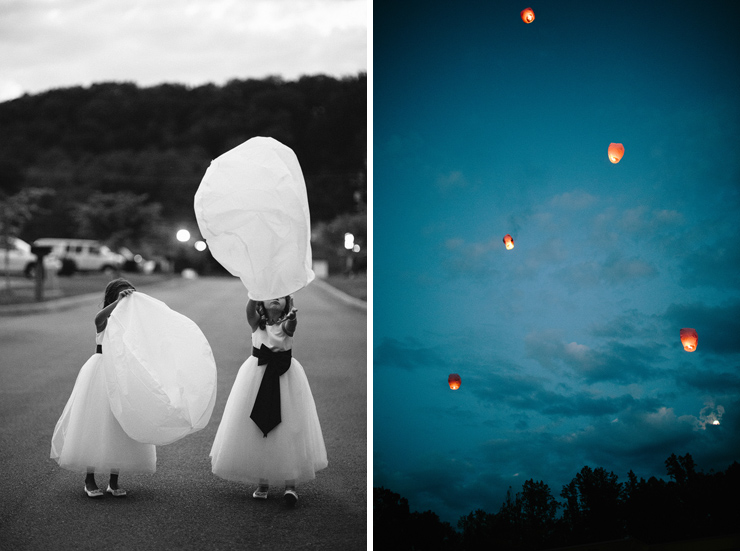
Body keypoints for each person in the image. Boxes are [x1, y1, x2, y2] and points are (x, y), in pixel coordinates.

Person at [210, 295, 327, 506]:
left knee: (290, 427)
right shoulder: (257, 323)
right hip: (257, 376)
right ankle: (262, 482)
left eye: (281, 297)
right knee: (258, 426)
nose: (275, 299)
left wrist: (292, 318)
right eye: (270, 297)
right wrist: (254, 292)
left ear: (287, 303)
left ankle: (290, 485)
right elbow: (248, 311)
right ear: (261, 303)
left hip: (285, 378)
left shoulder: (286, 324)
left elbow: (291, 327)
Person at [50, 278, 156, 498]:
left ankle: (113, 481)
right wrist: (118, 302)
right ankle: (89, 479)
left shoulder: (130, 323)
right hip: (100, 372)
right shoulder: (105, 320)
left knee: (120, 424)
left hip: (122, 373)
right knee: (96, 423)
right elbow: (98, 318)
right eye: (122, 297)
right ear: (113, 298)